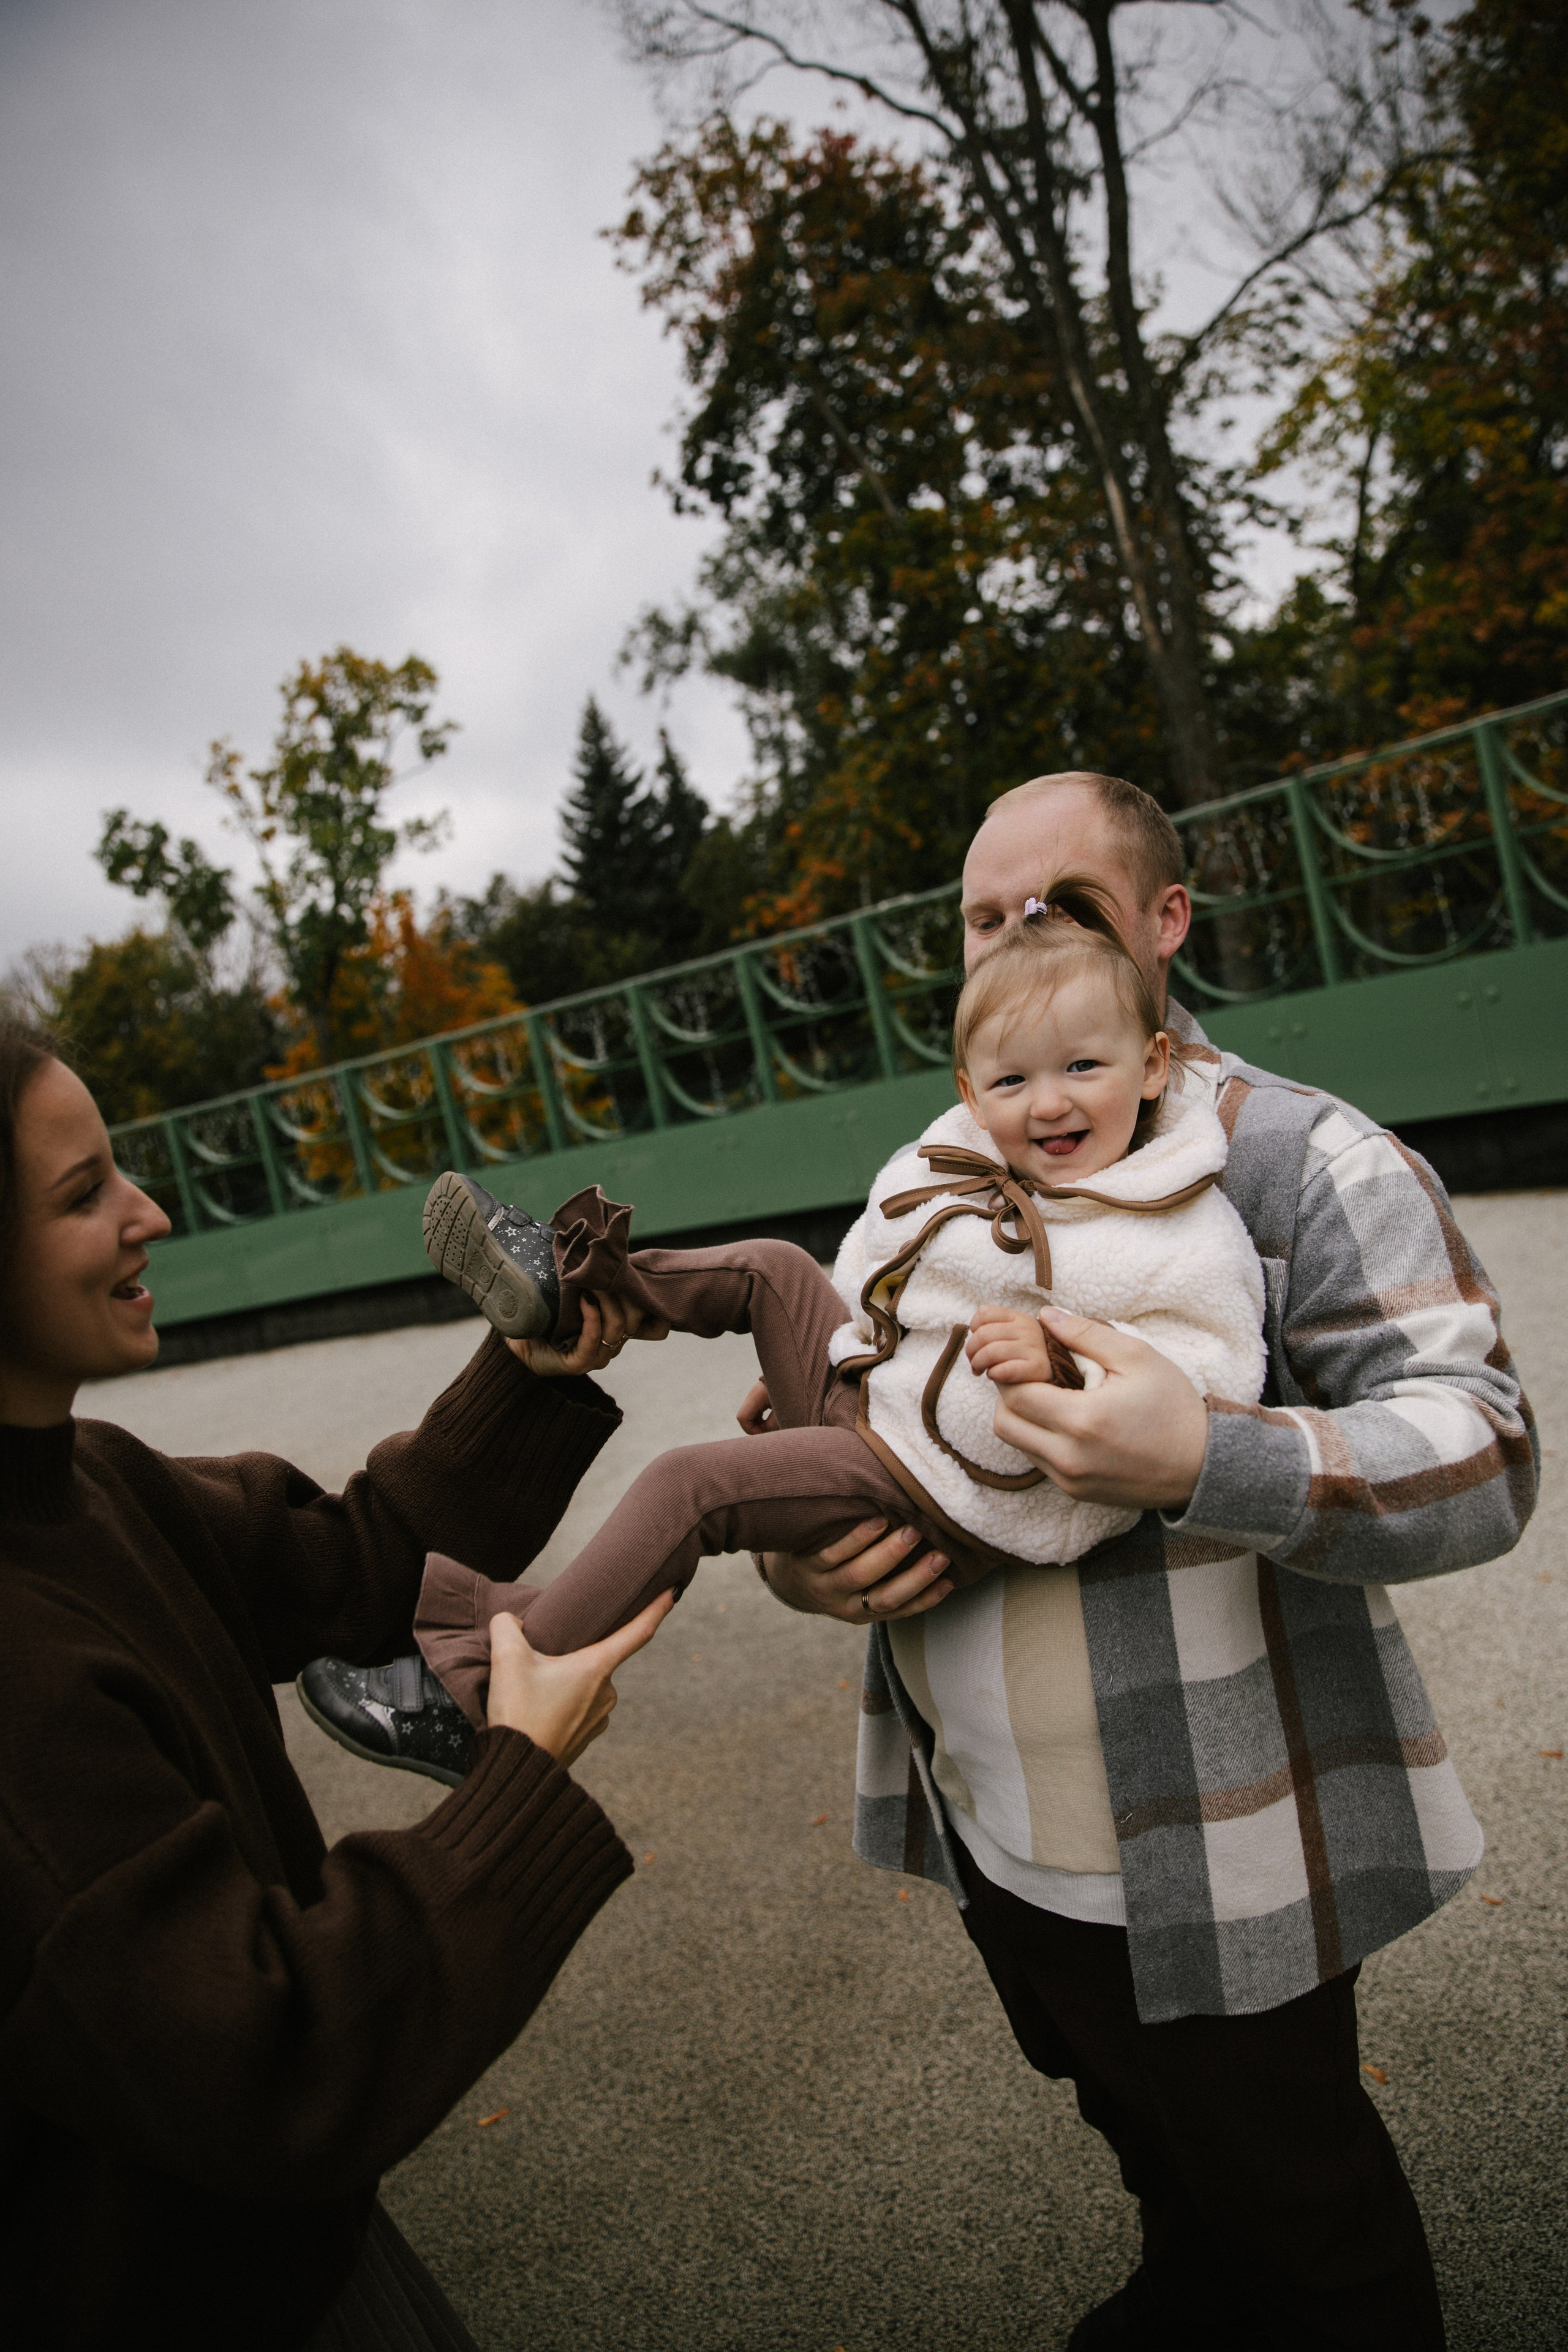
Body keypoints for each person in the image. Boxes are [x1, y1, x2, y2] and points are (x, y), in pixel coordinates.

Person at [753, 771, 1537, 2350]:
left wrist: (1200, 1457)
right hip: (989, 1830)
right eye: (982, 916)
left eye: (1060, 904)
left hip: (1208, 1851)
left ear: (1165, 920)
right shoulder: (948, 1153)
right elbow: (836, 1416)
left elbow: (1482, 1451)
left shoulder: (1299, 1157)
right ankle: (1187, 2283)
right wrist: (800, 1560)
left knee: (1309, 2228)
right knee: (1149, 2144)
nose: (1015, 934)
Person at [0, 1008, 673, 2352]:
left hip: (285, 2251)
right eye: (84, 1195)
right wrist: (517, 1784)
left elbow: (347, 1564)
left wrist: (522, 1374)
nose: (149, 1215)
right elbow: (269, 2053)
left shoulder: (95, 1476)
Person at [399, 908, 1267, 1724]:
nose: (1047, 1103)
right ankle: (576, 1286)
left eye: (1083, 1068)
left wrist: (1063, 1363)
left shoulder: (1176, 1222)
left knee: (688, 1485)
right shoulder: (978, 1164)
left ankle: (490, 1682)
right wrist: (845, 1348)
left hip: (931, 1492)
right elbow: (884, 1268)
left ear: (1153, 1064)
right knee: (773, 1269)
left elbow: (1212, 1378)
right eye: (1012, 1080)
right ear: (972, 1093)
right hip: (876, 1406)